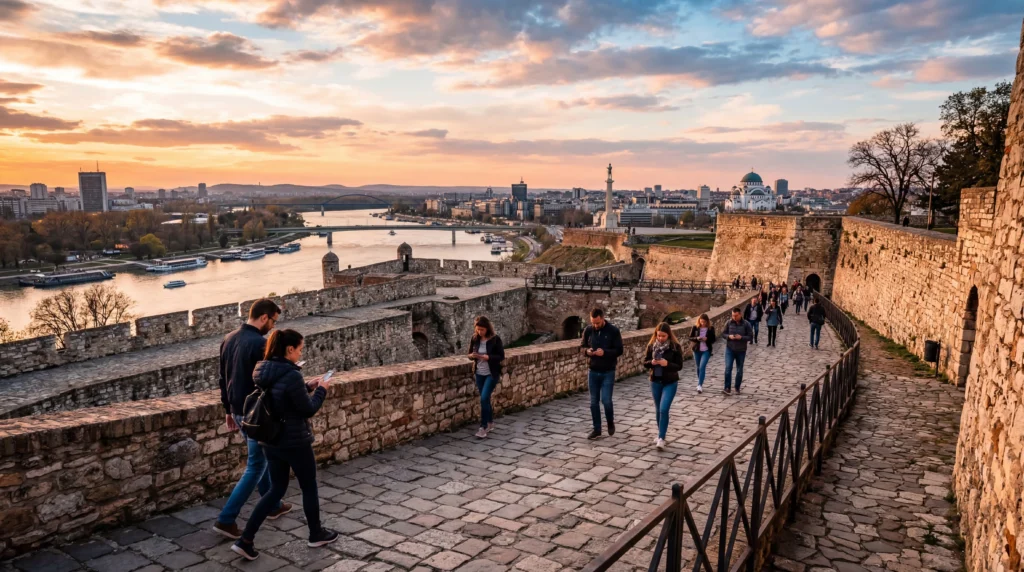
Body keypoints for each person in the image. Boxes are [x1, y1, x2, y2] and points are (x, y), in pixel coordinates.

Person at [232, 329, 337, 561]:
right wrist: (322, 390)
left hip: (271, 440)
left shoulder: (262, 369)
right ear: (290, 349)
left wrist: (307, 386)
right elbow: (307, 409)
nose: (300, 352)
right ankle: (316, 533)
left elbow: (281, 397)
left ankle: (245, 539)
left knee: (275, 490)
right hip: (294, 441)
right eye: (299, 349)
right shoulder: (291, 375)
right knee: (308, 486)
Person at [213, 299, 290, 539]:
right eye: (273, 321)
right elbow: (268, 378)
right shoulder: (260, 343)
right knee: (256, 465)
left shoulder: (229, 338)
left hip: (238, 410)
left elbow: (223, 378)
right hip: (256, 413)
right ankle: (226, 519)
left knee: (261, 459)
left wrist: (228, 410)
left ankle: (273, 505)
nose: (273, 326)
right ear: (264, 317)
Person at [581, 308, 623, 439]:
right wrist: (587, 352)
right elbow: (582, 347)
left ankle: (610, 421)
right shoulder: (588, 330)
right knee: (593, 402)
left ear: (603, 318)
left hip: (608, 371)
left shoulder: (613, 331)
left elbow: (619, 350)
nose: (596, 325)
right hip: (593, 370)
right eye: (593, 322)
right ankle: (597, 429)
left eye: (598, 323)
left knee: (606, 400)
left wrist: (605, 352)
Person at [643, 323, 684, 450]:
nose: (660, 338)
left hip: (670, 382)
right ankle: (661, 433)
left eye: (663, 336)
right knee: (657, 409)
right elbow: (645, 362)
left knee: (664, 409)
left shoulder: (675, 347)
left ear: (669, 335)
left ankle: (661, 438)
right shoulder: (651, 346)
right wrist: (652, 362)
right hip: (655, 381)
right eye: (658, 335)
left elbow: (679, 366)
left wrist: (667, 364)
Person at [468, 316, 505, 439]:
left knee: (483, 398)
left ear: (487, 329)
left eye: (482, 329)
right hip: (479, 373)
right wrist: (473, 356)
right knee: (486, 399)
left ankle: (483, 427)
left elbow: (501, 356)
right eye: (478, 329)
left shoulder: (495, 339)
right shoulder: (475, 339)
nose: (479, 332)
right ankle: (490, 422)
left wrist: (488, 357)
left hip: (491, 373)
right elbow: (469, 355)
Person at [722, 308, 754, 395]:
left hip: (741, 350)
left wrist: (742, 338)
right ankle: (727, 387)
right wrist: (729, 336)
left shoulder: (746, 324)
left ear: (740, 314)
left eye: (735, 315)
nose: (734, 317)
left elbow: (751, 336)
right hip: (730, 349)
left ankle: (737, 387)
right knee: (728, 368)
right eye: (732, 315)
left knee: (739, 370)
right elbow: (723, 334)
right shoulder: (729, 323)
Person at [688, 314, 716, 393]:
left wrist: (707, 339)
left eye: (704, 322)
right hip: (697, 350)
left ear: (707, 321)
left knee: (702, 366)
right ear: (699, 321)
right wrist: (697, 338)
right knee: (698, 367)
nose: (703, 323)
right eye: (701, 322)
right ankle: (700, 380)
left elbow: (714, 339)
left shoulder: (711, 328)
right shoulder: (695, 327)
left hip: (706, 350)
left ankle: (700, 385)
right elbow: (690, 337)